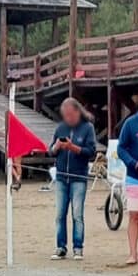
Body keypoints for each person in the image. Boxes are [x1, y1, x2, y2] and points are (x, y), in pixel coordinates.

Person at [49, 98, 97, 261]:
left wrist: (72, 147)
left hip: (78, 176)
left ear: (77, 112)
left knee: (77, 214)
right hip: (62, 176)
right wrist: (56, 147)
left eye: (70, 114)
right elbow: (51, 151)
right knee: (60, 214)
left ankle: (78, 247)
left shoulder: (87, 128)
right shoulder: (61, 127)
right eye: (65, 115)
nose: (68, 118)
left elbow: (91, 151)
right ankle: (61, 246)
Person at [118, 87, 138, 264]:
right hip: (136, 178)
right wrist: (132, 163)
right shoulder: (131, 123)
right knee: (134, 216)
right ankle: (132, 253)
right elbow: (121, 148)